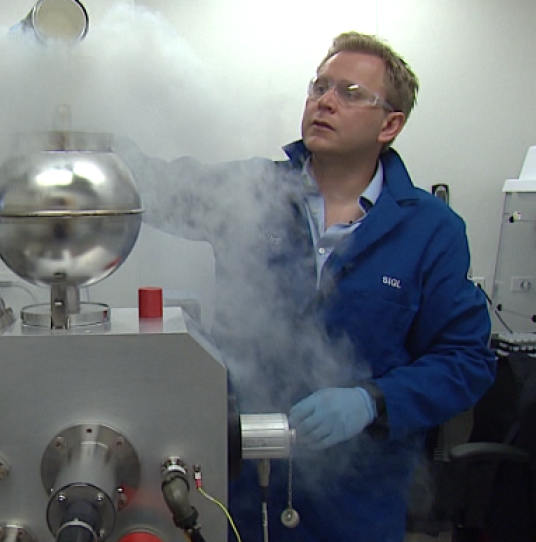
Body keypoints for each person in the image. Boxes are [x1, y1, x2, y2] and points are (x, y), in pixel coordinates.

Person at [117, 31, 495, 542]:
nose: (325, 101)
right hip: (239, 489)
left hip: (357, 500)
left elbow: (466, 360)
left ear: (390, 124)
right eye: (320, 87)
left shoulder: (431, 229)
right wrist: (79, 111)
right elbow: (149, 185)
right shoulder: (253, 194)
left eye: (351, 93)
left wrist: (372, 401)